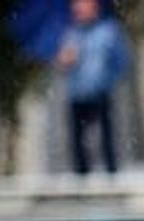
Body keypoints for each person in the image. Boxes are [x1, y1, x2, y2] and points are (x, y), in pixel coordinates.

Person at [56, 0, 132, 177]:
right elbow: (60, 64)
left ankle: (112, 174)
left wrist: (107, 80)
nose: (78, 9)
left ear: (94, 7)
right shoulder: (70, 33)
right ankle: (80, 176)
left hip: (101, 93)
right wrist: (63, 61)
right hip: (76, 93)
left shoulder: (108, 32)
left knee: (107, 137)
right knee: (77, 141)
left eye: (83, 4)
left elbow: (121, 62)